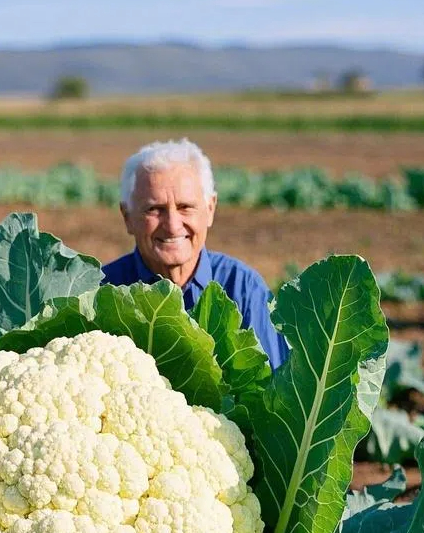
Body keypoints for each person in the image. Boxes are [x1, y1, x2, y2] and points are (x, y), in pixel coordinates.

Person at [102, 138, 288, 369]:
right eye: (154, 209)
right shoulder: (102, 294)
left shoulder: (243, 289)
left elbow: (276, 389)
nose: (172, 225)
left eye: (185, 207)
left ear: (210, 209)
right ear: (127, 217)